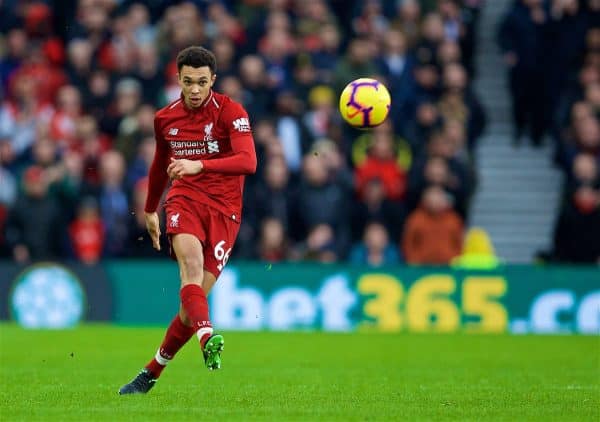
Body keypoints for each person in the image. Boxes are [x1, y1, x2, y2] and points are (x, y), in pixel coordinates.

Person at [119, 46, 257, 394]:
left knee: (189, 308)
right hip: (185, 199)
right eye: (187, 82)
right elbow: (158, 163)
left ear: (213, 80)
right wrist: (151, 208)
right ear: (178, 80)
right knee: (190, 269)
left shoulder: (231, 112)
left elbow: (248, 161)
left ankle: (150, 373)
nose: (194, 90)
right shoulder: (165, 117)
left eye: (200, 82)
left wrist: (201, 164)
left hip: (226, 210)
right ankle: (207, 337)